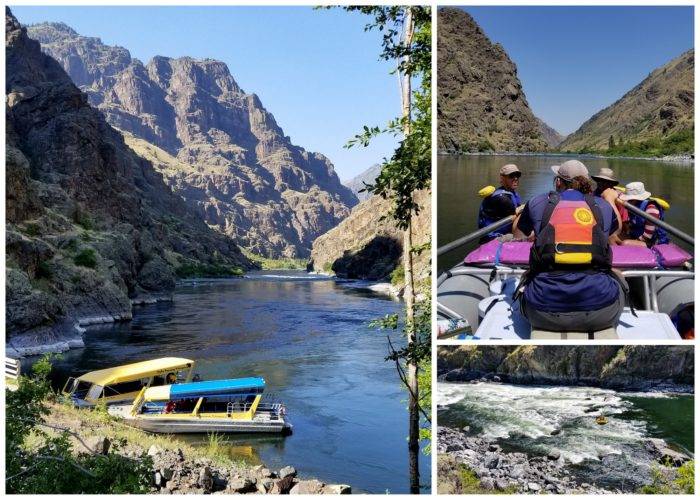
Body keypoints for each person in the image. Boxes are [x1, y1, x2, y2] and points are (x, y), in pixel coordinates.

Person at [513, 160, 626, 335]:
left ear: (559, 182)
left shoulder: (537, 202)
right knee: (619, 278)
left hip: (541, 312)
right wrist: (610, 201)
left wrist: (525, 215)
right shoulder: (602, 206)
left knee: (525, 278)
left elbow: (518, 235)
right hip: (602, 311)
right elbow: (614, 230)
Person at [477, 163, 522, 242]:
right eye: (511, 176)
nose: (515, 178)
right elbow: (518, 215)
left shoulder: (511, 193)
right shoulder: (502, 199)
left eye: (517, 175)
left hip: (504, 232)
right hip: (494, 237)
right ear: (502, 178)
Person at [619, 181, 669, 247]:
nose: (627, 201)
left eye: (629, 199)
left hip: (652, 242)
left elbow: (647, 237)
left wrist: (631, 241)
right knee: (615, 237)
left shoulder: (651, 209)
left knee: (625, 243)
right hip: (638, 236)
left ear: (635, 199)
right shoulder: (634, 205)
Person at [591, 167, 626, 244]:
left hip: (614, 229)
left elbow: (620, 227)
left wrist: (610, 199)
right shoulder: (593, 195)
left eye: (605, 182)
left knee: (612, 238)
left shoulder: (618, 197)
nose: (601, 183)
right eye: (599, 181)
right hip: (598, 226)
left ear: (611, 184)